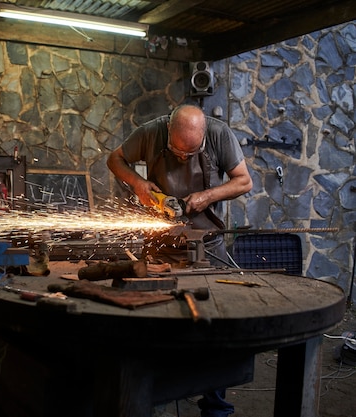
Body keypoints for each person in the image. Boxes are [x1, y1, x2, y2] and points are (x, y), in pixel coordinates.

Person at [106, 103, 253, 417]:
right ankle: (150, 397)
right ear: (167, 132)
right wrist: (140, 184)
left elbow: (244, 181)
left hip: (207, 246)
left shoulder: (219, 134)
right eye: (176, 151)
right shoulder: (150, 132)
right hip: (161, 246)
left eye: (192, 152)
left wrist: (206, 196)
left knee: (215, 324)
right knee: (155, 321)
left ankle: (215, 406)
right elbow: (114, 158)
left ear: (202, 138)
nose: (183, 158)